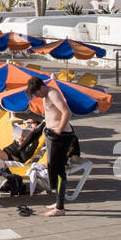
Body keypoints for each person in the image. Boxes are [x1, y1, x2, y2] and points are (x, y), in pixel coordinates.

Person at [25, 77, 77, 217]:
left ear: (41, 87)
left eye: (36, 93)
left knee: (59, 171)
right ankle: (58, 201)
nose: (37, 96)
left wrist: (58, 131)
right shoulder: (45, 95)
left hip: (60, 137)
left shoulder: (52, 93)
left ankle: (60, 208)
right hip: (52, 135)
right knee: (53, 168)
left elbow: (67, 112)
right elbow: (50, 114)